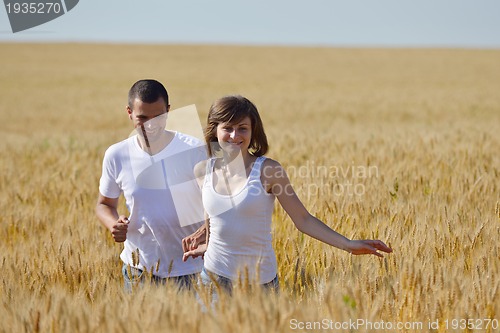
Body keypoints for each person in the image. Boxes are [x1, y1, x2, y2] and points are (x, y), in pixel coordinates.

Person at [182, 95, 393, 297]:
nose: (235, 136)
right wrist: (207, 245)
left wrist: (348, 245)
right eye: (227, 128)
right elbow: (212, 218)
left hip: (259, 283)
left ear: (253, 132)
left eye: (242, 129)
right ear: (215, 130)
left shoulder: (268, 171)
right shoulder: (203, 171)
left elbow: (303, 219)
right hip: (212, 278)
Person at [96, 79, 206, 292]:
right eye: (142, 118)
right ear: (129, 112)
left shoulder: (195, 151)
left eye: (159, 117)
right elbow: (104, 204)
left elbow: (219, 204)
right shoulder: (116, 155)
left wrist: (205, 232)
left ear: (169, 111)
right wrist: (113, 224)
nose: (151, 125)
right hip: (139, 270)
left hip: (191, 268)